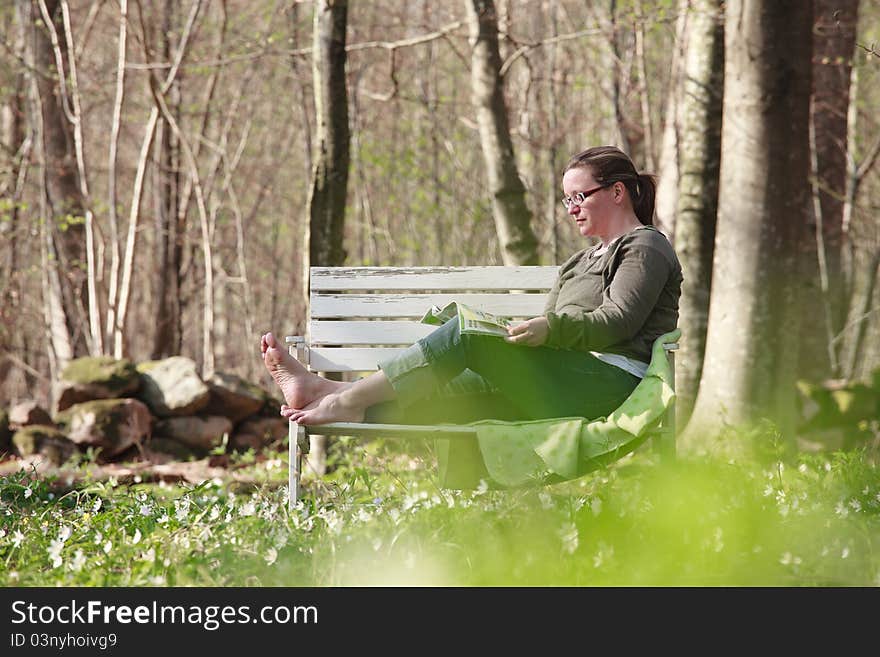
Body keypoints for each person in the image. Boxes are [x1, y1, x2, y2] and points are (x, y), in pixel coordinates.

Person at [260, 145, 683, 427]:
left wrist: (549, 329)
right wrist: (523, 334)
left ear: (617, 192)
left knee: (465, 336)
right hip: (566, 378)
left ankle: (338, 397)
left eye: (579, 196)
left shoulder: (644, 246)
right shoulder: (579, 261)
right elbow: (558, 327)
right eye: (566, 200)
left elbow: (618, 321)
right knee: (450, 391)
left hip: (608, 384)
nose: (571, 209)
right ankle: (342, 399)